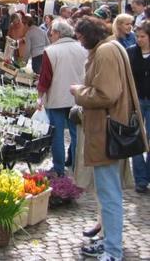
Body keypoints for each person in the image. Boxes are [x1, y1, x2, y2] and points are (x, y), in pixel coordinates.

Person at [71, 17, 148, 261]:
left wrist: (78, 92)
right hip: (111, 128)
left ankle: (113, 250)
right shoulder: (112, 46)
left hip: (106, 131)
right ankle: (107, 242)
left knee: (109, 194)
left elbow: (107, 94)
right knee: (108, 193)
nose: (79, 41)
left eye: (81, 37)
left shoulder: (105, 51)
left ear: (90, 34)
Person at [37, 20, 86, 176]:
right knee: (76, 133)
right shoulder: (83, 49)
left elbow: (45, 78)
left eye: (51, 33)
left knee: (57, 135)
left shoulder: (51, 51)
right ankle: (79, 167)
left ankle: (59, 168)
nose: (50, 36)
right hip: (77, 98)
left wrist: (40, 97)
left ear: (58, 33)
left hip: (57, 99)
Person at [127, 20, 150, 193]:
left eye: (143, 36)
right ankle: (140, 178)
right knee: (135, 139)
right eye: (137, 36)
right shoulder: (131, 53)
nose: (139, 39)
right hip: (136, 101)